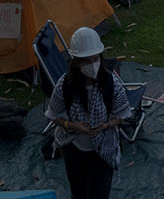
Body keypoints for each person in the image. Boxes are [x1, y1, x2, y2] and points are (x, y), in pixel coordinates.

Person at [45, 25, 132, 199]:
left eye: (95, 59)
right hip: (74, 147)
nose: (92, 65)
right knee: (78, 192)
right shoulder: (65, 85)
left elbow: (122, 115)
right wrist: (73, 125)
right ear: (76, 61)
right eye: (86, 61)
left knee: (99, 193)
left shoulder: (111, 83)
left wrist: (105, 125)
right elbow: (54, 115)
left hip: (103, 147)